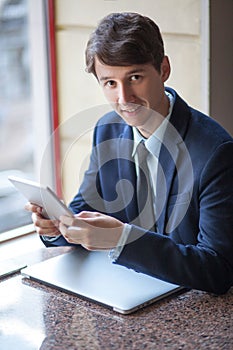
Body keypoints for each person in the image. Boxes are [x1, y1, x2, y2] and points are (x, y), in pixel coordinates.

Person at [26, 12, 233, 295]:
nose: (124, 98)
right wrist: (58, 227)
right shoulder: (107, 130)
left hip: (188, 302)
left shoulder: (216, 154)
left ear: (163, 70)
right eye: (110, 83)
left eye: (134, 77)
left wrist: (122, 239)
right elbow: (89, 210)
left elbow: (218, 269)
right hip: (126, 289)